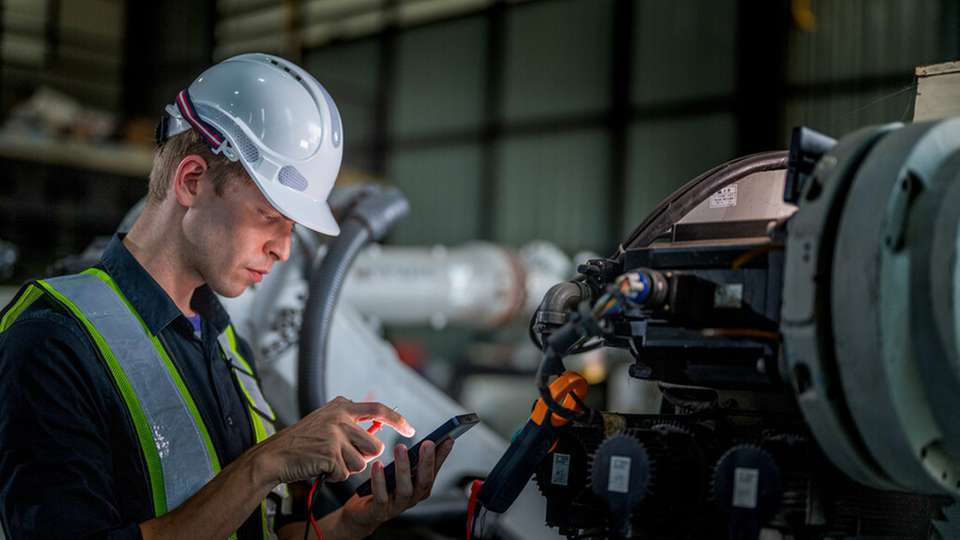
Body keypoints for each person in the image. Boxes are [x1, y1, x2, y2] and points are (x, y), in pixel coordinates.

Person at [0, 53, 453, 539]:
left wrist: (351, 521)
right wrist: (269, 461)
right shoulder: (53, 338)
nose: (282, 250)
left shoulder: (219, 336)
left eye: (293, 228)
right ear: (191, 181)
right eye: (268, 216)